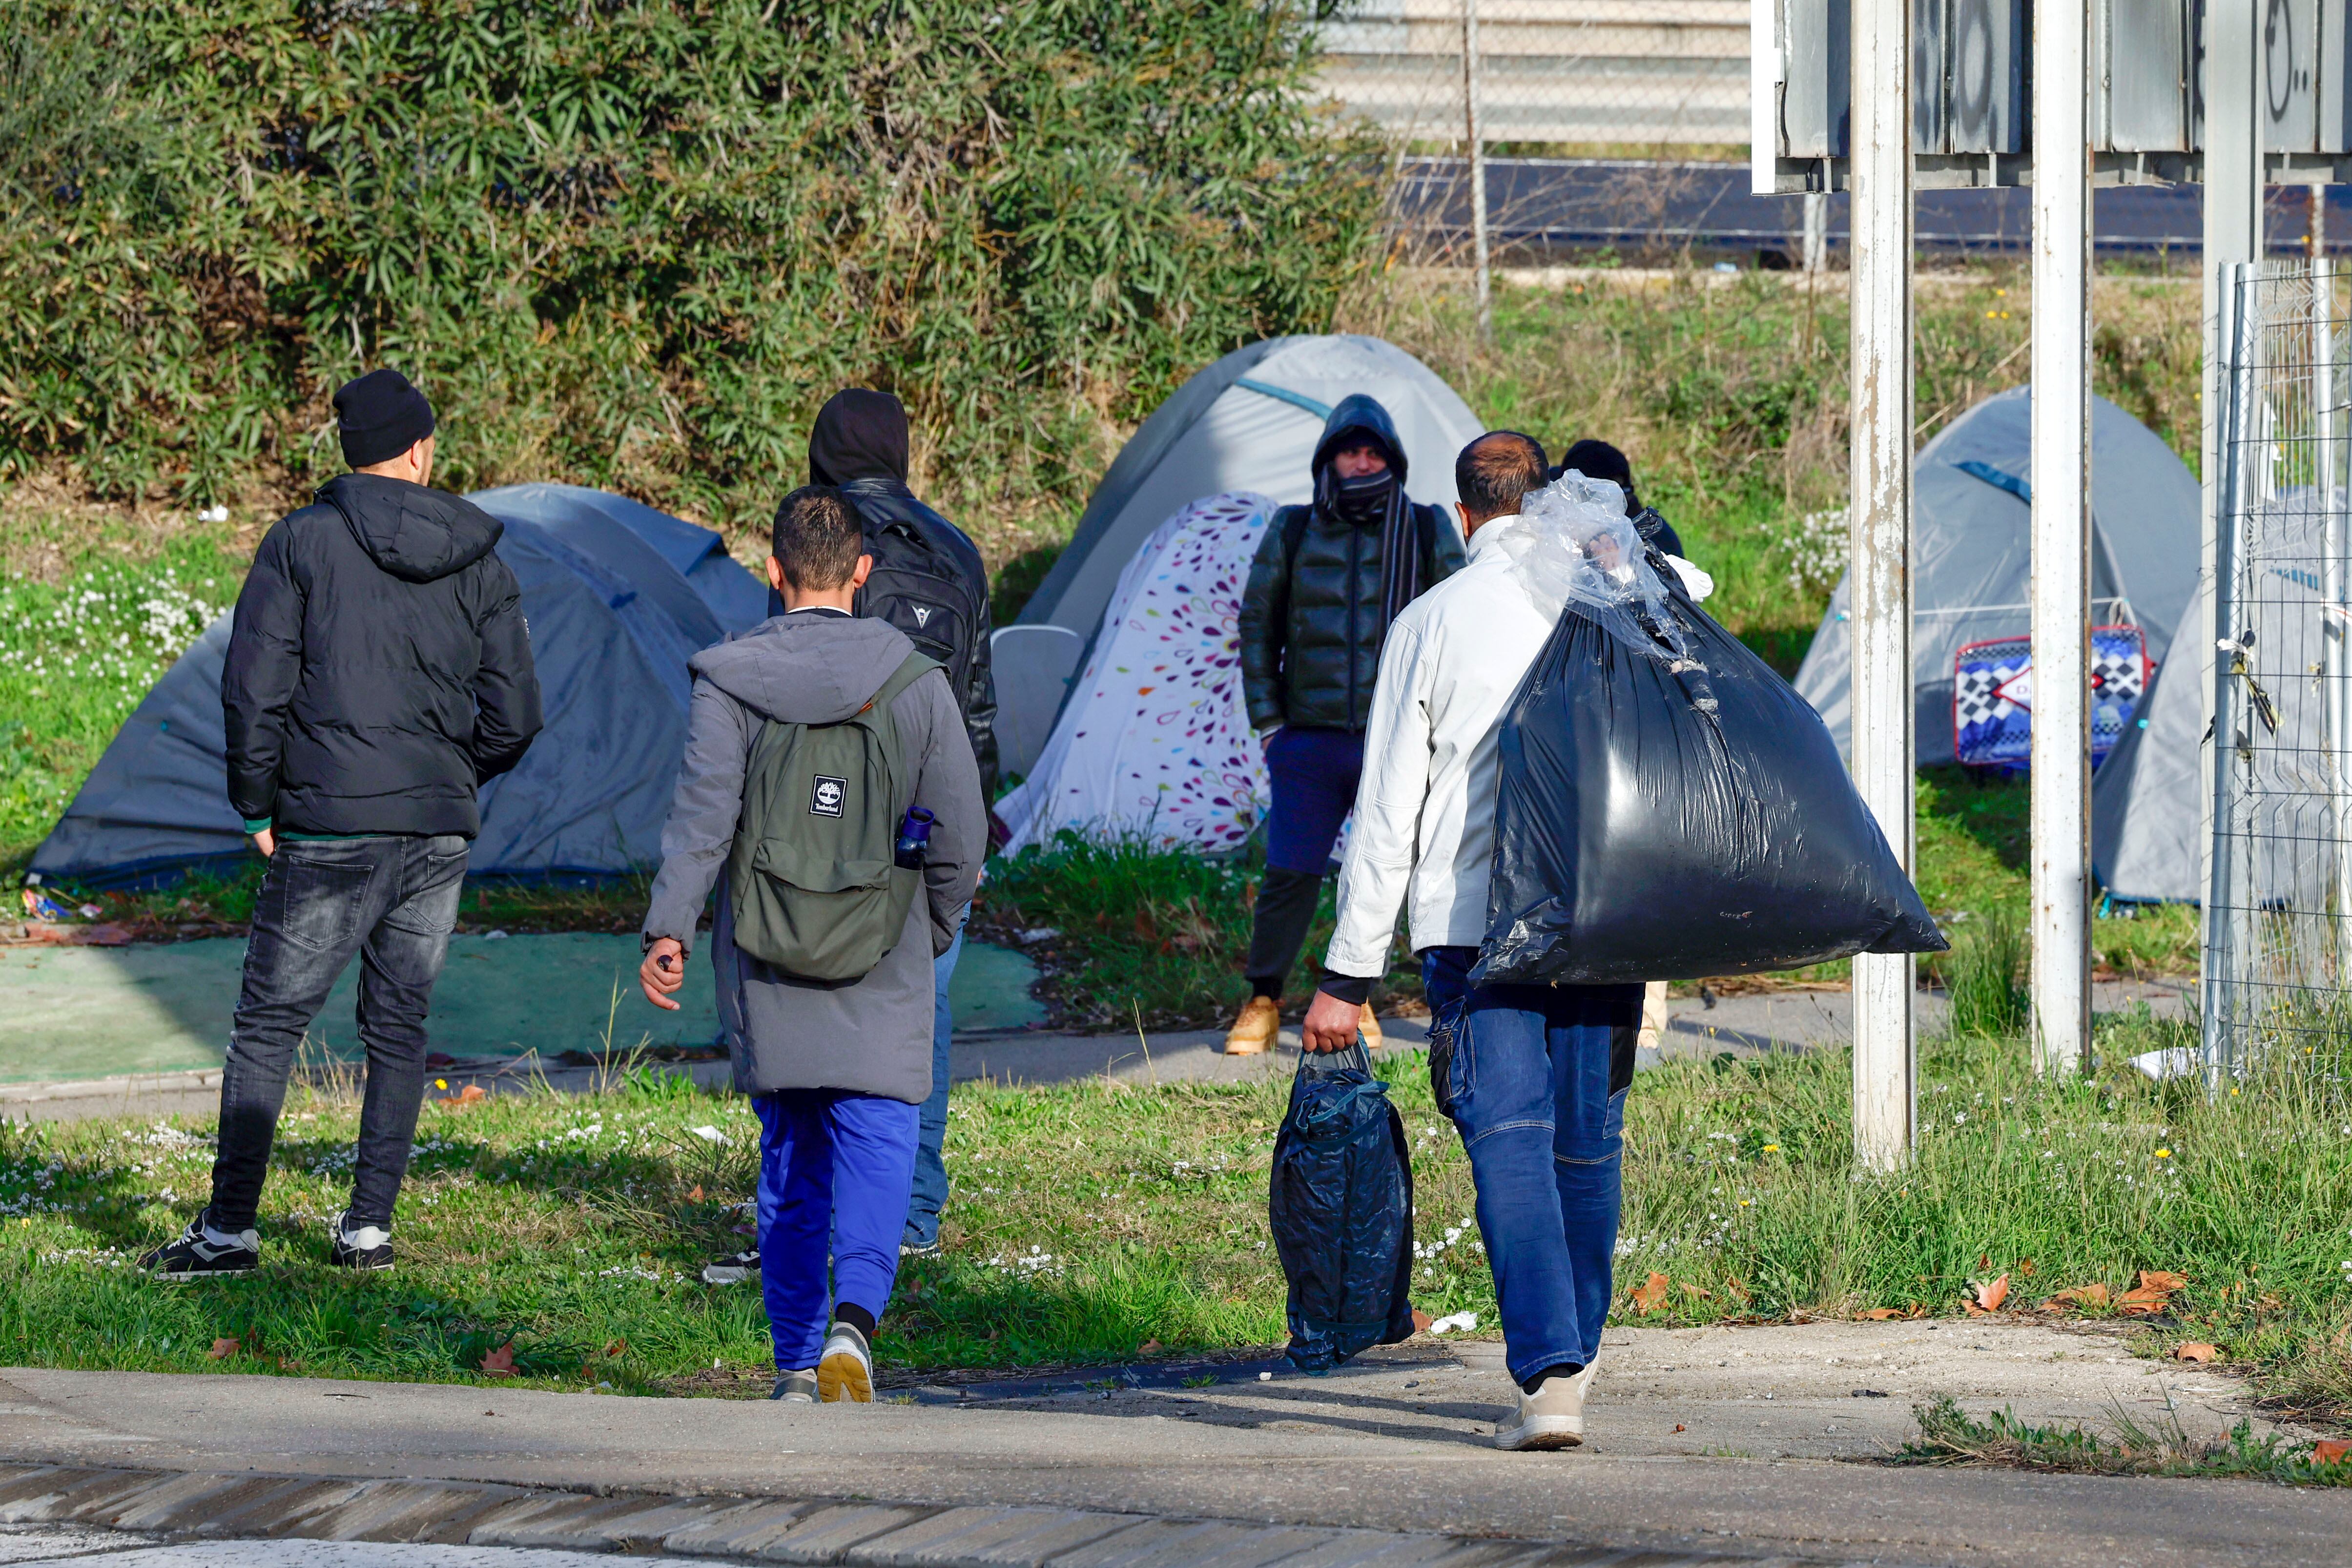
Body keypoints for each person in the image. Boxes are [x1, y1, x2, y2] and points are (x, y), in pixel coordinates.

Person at [142, 368, 543, 1280]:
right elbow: (517, 717)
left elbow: (253, 689)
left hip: (327, 827)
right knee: (399, 1027)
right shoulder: (482, 560)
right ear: (420, 450)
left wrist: (255, 803)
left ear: (352, 452)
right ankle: (368, 1232)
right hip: (436, 831)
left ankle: (229, 1234)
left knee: (269, 1026)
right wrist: (448, 776)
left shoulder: (300, 543)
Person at [1302, 431, 1639, 1452]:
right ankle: (1577, 1352)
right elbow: (1692, 600)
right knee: (1587, 1141)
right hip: (1603, 915)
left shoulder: (1432, 620)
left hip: (1474, 928)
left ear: (1461, 517)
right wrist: (1618, 551)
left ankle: (1549, 1377)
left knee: (1509, 1141)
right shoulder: (1604, 596)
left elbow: (1387, 812)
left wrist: (1347, 974)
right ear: (1543, 501)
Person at [641, 485, 984, 1403]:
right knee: (881, 1134)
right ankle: (854, 1324)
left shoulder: (730, 681)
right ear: (862, 572)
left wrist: (670, 927)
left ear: (774, 571)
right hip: (885, 944)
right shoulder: (915, 681)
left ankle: (795, 1363)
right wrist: (932, 926)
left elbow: (702, 820)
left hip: (767, 949)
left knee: (791, 1156)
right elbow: (961, 834)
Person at [764, 389, 995, 1264]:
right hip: (931, 821)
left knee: (812, 1019)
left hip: (827, 826)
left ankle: (820, 1212)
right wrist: (975, 831)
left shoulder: (814, 539)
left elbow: (785, 688)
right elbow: (978, 706)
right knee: (918, 1024)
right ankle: (913, 1215)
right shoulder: (956, 549)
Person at [1226, 395, 1465, 1054]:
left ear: (1393, 461)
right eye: (1349, 452)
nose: (1361, 463)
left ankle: (1354, 996)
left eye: (1372, 453)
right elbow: (1257, 623)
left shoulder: (1425, 527)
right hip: (1309, 738)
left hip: (1397, 738)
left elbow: (1456, 622)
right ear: (1327, 460)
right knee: (1290, 874)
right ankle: (1263, 999)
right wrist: (1269, 722)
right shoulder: (1294, 527)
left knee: (1385, 870)